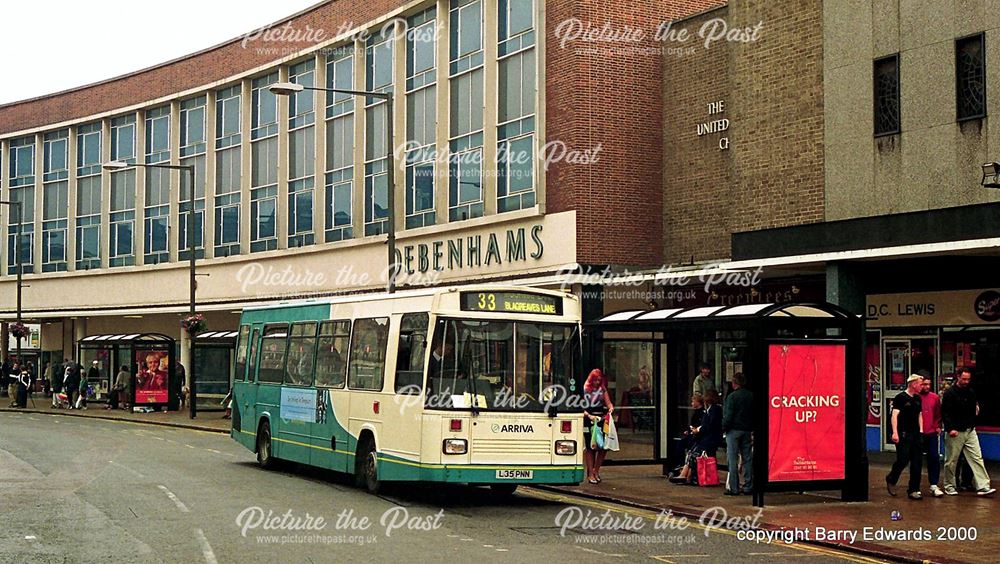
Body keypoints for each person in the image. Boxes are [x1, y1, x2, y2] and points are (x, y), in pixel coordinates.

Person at [941, 367, 996, 497]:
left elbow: (973, 410)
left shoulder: (970, 392)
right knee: (952, 460)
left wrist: (972, 425)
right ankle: (949, 485)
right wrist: (950, 428)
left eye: (968, 379)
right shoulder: (950, 393)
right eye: (964, 379)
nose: (966, 381)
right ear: (958, 377)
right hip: (955, 431)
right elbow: (945, 413)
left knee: (976, 458)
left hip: (970, 430)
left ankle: (983, 486)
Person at [886, 374, 925, 499]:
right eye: (920, 384)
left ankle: (914, 489)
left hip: (916, 434)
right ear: (913, 384)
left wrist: (921, 430)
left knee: (917, 462)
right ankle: (892, 478)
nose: (922, 386)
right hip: (904, 434)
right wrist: (895, 432)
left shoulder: (918, 399)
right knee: (903, 459)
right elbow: (894, 415)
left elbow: (919, 415)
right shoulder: (901, 398)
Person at [671, 390, 722, 484]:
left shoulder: (715, 409)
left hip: (711, 438)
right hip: (707, 437)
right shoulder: (710, 409)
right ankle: (686, 475)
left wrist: (698, 430)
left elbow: (710, 425)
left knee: (695, 452)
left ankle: (685, 475)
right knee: (692, 451)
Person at [722, 372, 753, 495]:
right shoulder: (751, 396)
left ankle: (734, 488)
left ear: (734, 383)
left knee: (732, 459)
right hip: (747, 430)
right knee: (747, 458)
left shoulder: (732, 397)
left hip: (733, 430)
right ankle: (748, 485)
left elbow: (728, 416)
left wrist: (723, 427)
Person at [582, 368, 614, 485]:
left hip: (601, 418)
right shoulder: (585, 389)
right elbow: (580, 407)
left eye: (599, 380)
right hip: (588, 419)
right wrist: (589, 416)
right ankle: (590, 473)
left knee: (603, 446)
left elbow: (608, 403)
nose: (597, 383)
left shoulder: (602, 389)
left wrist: (610, 408)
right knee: (591, 447)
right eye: (595, 380)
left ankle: (596, 470)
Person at [919, 374, 944, 497]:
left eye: (929, 384)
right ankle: (915, 486)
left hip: (931, 432)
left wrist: (937, 426)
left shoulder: (934, 398)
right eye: (924, 384)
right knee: (916, 459)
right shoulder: (914, 397)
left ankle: (934, 484)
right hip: (917, 433)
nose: (927, 386)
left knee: (934, 458)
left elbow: (938, 414)